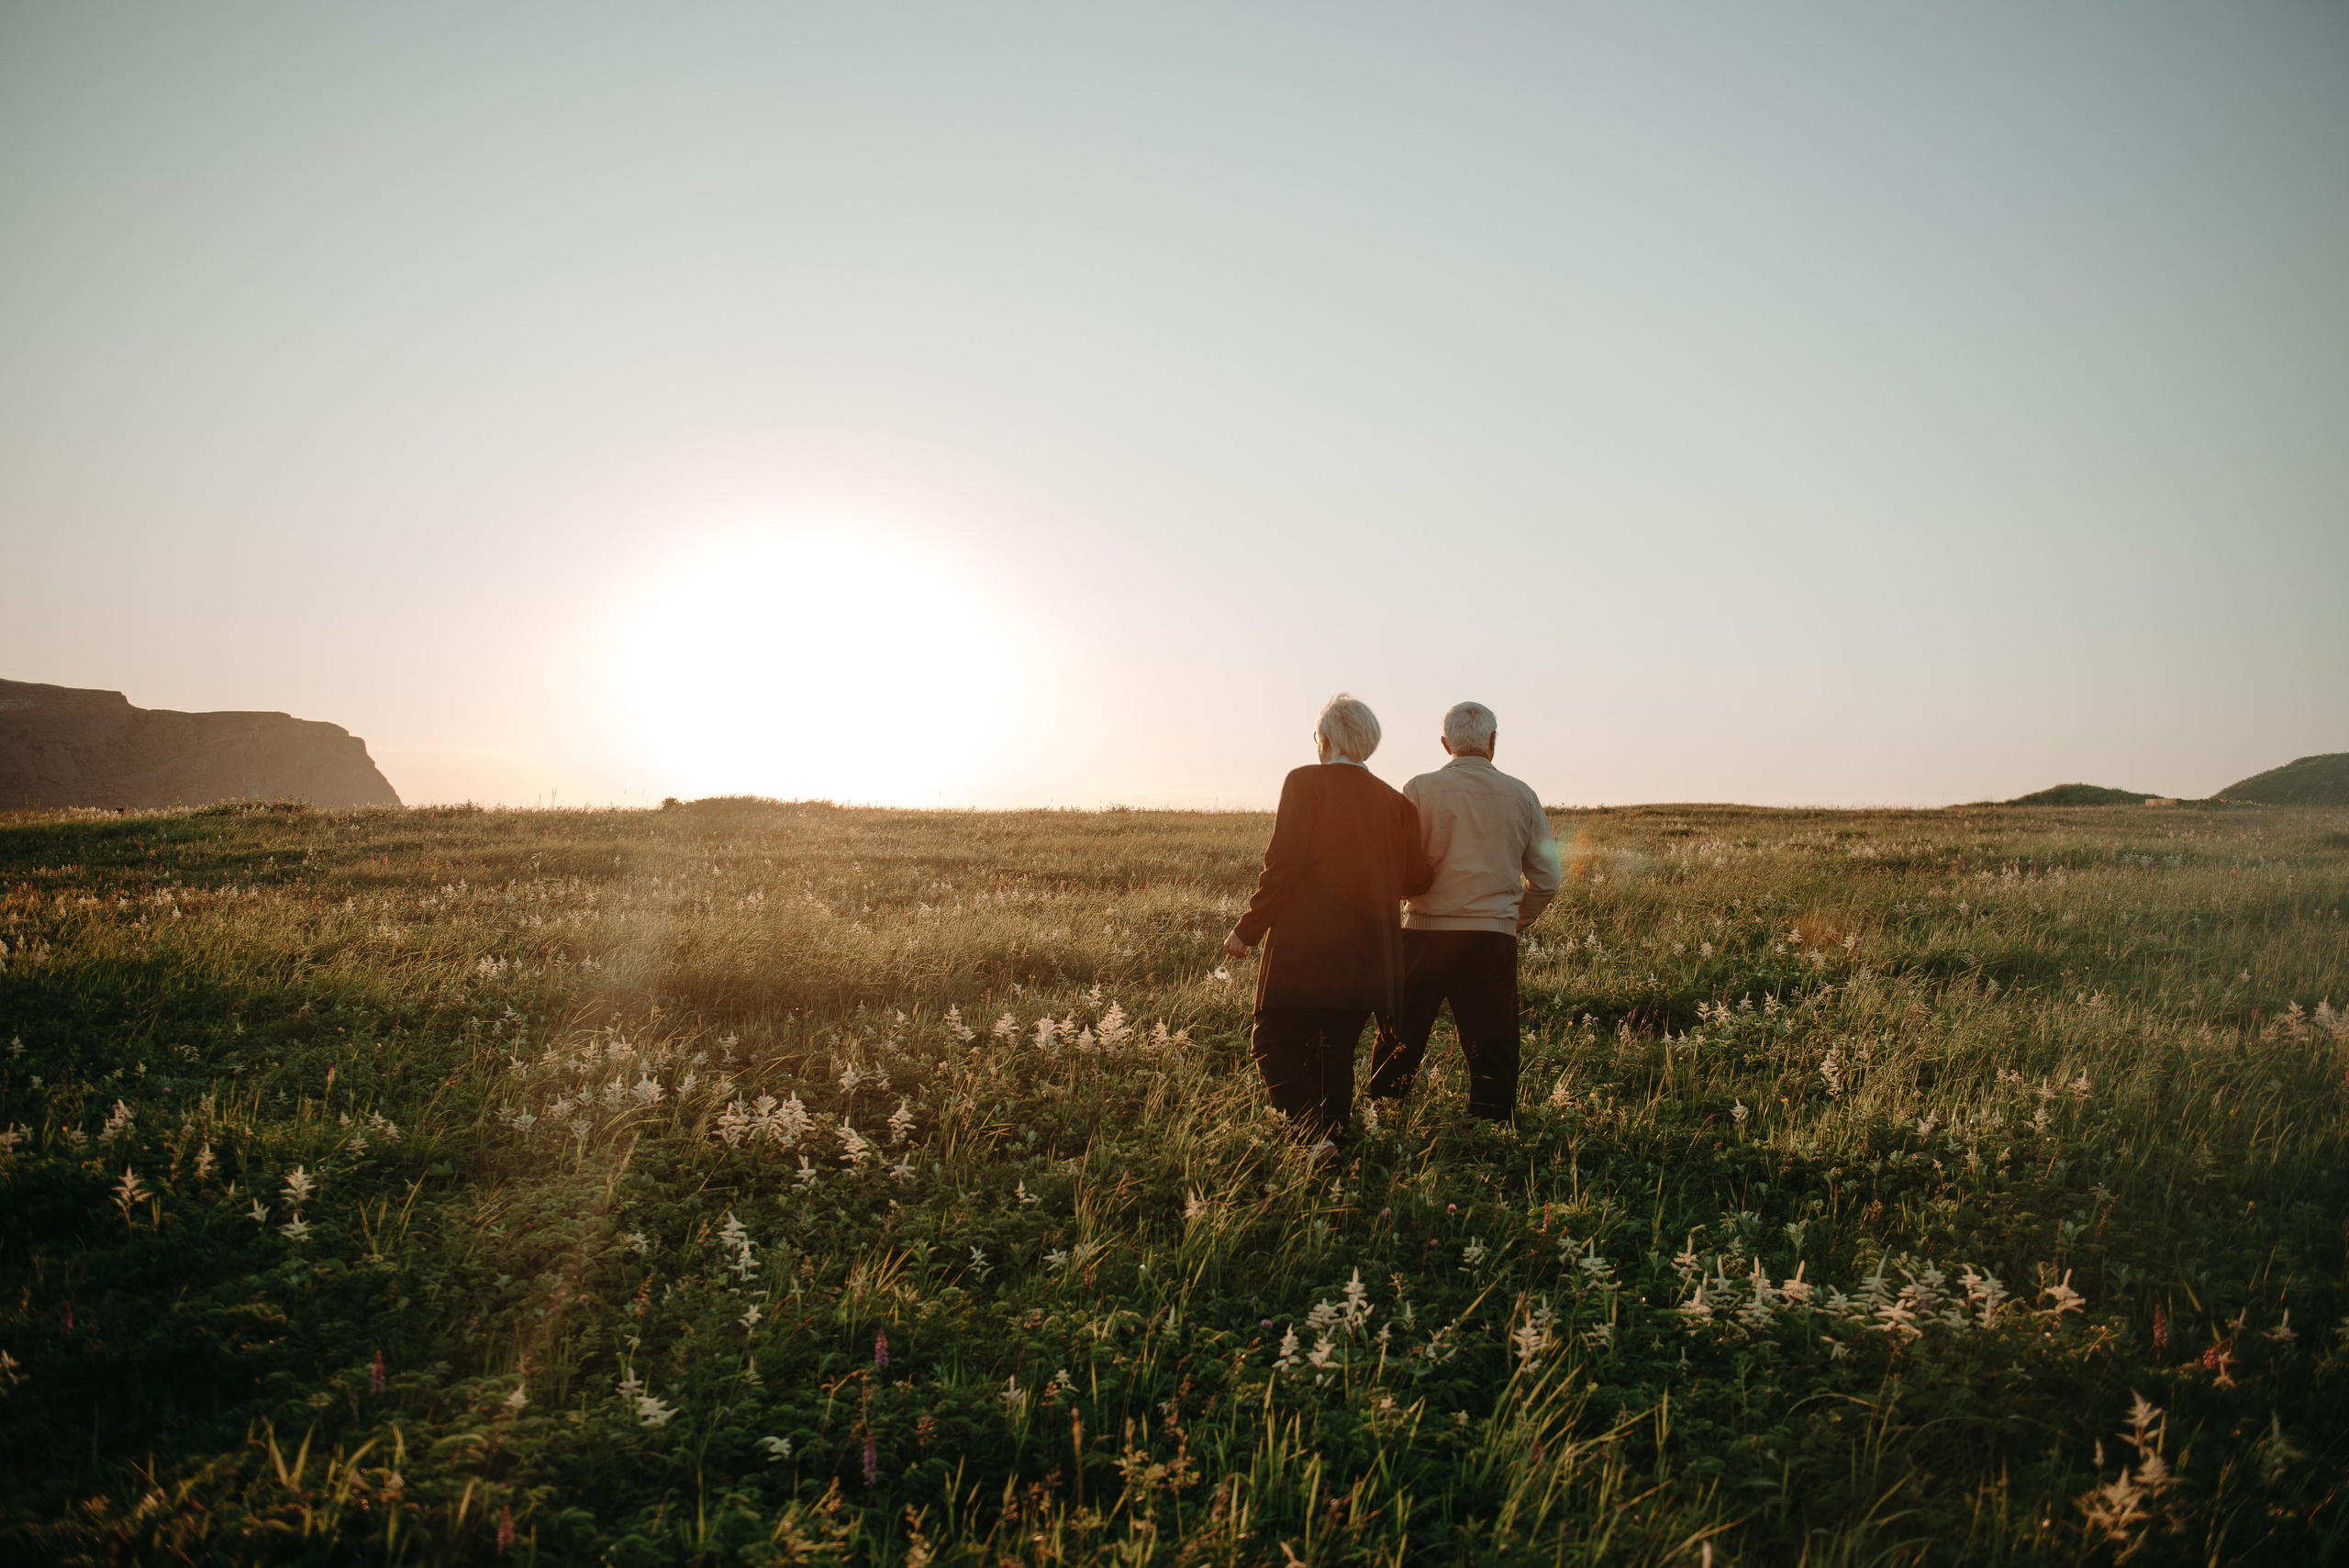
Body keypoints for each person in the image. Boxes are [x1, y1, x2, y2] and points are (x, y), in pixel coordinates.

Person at [1224, 694, 1433, 1148]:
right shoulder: (1399, 806)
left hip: (1306, 946)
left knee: (1273, 1044)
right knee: (1333, 1057)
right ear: (1369, 742)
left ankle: (1316, 1139)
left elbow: (1284, 863)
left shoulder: (1305, 782)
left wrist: (1248, 928)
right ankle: (1337, 1151)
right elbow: (1418, 877)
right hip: (1370, 953)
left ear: (1323, 740)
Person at [1367, 701, 1560, 1122]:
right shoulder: (1523, 795)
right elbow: (1548, 880)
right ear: (1493, 742)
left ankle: (1380, 1119)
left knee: (1401, 1036)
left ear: (1444, 743)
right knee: (1494, 1043)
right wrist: (1511, 921)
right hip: (1491, 937)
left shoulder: (1418, 789)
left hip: (1424, 933)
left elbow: (1396, 867)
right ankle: (1490, 1130)